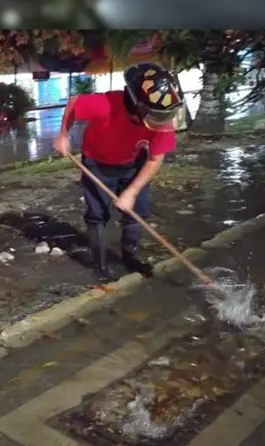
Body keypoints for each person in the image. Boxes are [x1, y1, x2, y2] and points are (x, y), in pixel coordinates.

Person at [54, 61, 182, 283]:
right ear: (136, 103)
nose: (162, 123)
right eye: (153, 115)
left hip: (134, 163)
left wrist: (131, 192)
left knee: (136, 212)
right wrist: (63, 135)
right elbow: (74, 103)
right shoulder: (104, 104)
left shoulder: (162, 115)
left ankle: (130, 257)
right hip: (97, 162)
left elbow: (155, 157)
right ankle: (100, 266)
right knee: (97, 215)